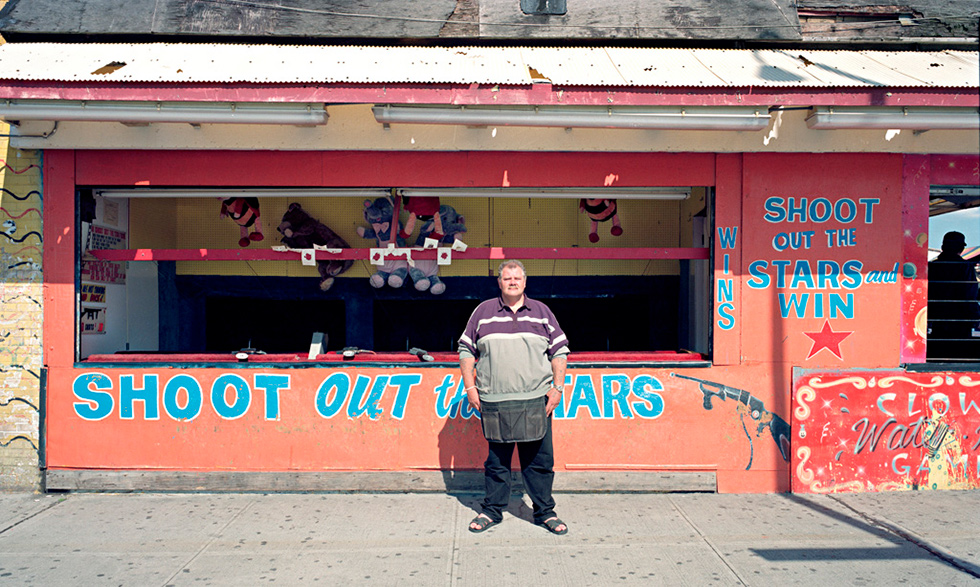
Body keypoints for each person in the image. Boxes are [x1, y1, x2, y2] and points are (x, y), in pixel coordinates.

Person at [458, 260, 570, 535]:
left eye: (516, 278)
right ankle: (492, 511)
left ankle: (545, 513)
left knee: (540, 462)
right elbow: (465, 350)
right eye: (507, 278)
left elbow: (559, 352)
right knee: (497, 463)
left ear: (525, 282)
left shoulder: (542, 312)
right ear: (499, 282)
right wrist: (471, 388)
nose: (512, 282)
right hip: (494, 401)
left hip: (536, 400)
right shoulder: (483, 312)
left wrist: (557, 388)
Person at [928, 231, 980, 359]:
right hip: (960, 322)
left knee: (937, 356)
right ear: (961, 248)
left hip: (937, 320)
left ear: (942, 247)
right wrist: (975, 317)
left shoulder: (933, 267)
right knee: (959, 356)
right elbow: (969, 295)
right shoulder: (965, 267)